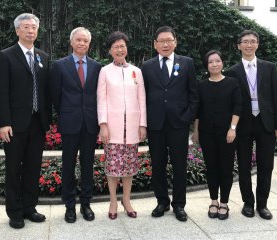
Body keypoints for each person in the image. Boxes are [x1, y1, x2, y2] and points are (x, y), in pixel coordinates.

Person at [0, 13, 51, 229]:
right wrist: (4, 122)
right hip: (14, 125)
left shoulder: (43, 57)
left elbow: (46, 91)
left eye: (34, 27)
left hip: (38, 123)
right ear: (17, 30)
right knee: (13, 168)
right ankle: (15, 211)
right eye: (26, 27)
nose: (30, 30)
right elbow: (1, 92)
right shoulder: (6, 55)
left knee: (33, 167)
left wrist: (48, 119)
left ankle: (29, 207)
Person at [225, 30, 277, 220]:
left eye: (252, 41)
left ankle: (263, 204)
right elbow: (231, 103)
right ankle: (248, 203)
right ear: (239, 45)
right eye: (245, 42)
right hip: (243, 122)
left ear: (258, 44)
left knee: (266, 164)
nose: (249, 45)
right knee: (243, 164)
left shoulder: (269, 68)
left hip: (265, 122)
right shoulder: (232, 72)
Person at [141, 26, 198, 222]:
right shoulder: (146, 66)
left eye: (169, 40)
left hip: (178, 124)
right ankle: (162, 201)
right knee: (158, 165)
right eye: (161, 41)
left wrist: (187, 117)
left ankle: (179, 205)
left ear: (175, 42)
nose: (165, 44)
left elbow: (194, 94)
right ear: (155, 44)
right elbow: (143, 96)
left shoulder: (187, 63)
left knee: (179, 165)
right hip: (156, 124)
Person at [50, 27, 101, 223]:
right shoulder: (59, 65)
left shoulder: (97, 67)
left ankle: (86, 204)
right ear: (71, 42)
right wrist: (67, 112)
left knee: (88, 164)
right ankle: (69, 206)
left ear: (89, 44)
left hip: (90, 123)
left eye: (85, 41)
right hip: (70, 122)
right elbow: (55, 95)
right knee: (68, 165)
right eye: (78, 40)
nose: (82, 43)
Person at [97, 31, 147, 220]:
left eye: (122, 46)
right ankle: (112, 201)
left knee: (129, 166)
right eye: (116, 46)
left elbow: (142, 99)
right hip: (113, 127)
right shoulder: (105, 71)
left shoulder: (137, 71)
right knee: (113, 167)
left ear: (127, 49)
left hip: (132, 127)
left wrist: (143, 124)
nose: (120, 49)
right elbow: (101, 100)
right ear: (110, 50)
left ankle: (126, 200)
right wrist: (103, 124)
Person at [191, 50, 242, 220]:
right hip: (206, 134)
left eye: (217, 61)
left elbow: (237, 107)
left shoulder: (232, 83)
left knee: (226, 168)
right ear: (207, 66)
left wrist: (232, 128)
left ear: (222, 63)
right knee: (211, 168)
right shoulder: (201, 85)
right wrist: (196, 131)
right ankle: (213, 201)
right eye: (211, 62)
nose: (214, 64)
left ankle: (225, 203)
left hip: (227, 134)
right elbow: (197, 111)